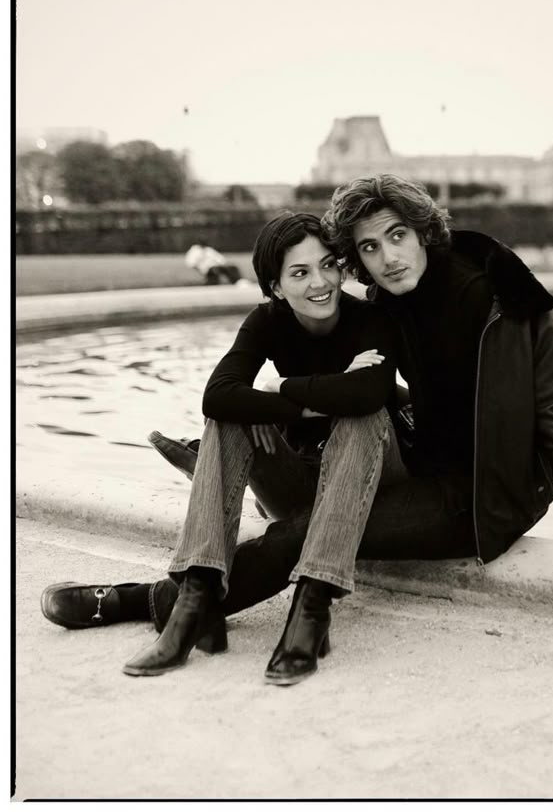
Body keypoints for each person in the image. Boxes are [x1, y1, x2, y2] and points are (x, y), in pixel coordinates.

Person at [42, 176, 553, 668]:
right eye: (368, 247)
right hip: (413, 461)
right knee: (304, 446)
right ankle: (220, 476)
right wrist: (286, 400)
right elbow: (350, 375)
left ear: (422, 230)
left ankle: (141, 601)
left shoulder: (515, 305)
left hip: (479, 495)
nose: (387, 257)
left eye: (396, 236)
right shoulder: (387, 301)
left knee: (302, 533)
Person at [44, 211, 404, 685]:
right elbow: (217, 394)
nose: (321, 282)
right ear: (275, 287)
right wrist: (294, 405)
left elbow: (368, 395)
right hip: (303, 479)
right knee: (229, 415)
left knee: (361, 416)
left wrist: (281, 390)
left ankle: (313, 606)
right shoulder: (267, 322)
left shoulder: (370, 318)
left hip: (374, 478)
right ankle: (196, 597)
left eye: (329, 265)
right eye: (300, 273)